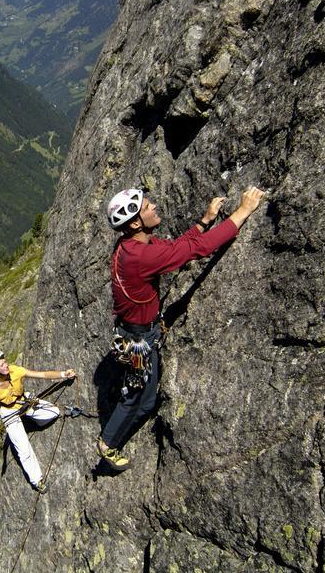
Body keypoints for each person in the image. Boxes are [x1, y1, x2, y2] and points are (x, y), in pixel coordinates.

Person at [96, 186, 265, 470]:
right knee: (136, 397)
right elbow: (197, 250)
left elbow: (176, 249)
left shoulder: (133, 246)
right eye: (148, 207)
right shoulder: (141, 257)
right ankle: (108, 443)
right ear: (135, 222)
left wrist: (205, 220)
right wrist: (243, 211)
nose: (154, 207)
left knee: (147, 402)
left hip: (137, 333)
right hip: (138, 340)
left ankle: (120, 429)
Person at [0, 349, 76, 493]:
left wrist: (64, 374)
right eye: (2, 364)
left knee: (54, 412)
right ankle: (36, 480)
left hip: (24, 401)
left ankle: (30, 421)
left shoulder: (15, 371)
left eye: (5, 361)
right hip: (9, 411)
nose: (6, 365)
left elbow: (42, 374)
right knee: (23, 449)